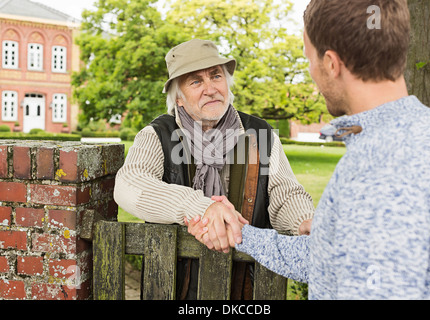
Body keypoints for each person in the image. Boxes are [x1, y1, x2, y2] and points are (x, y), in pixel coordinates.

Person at [187, 0, 430, 299]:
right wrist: (241, 234)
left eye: (308, 58)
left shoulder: (379, 168)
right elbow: (327, 257)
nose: (311, 73)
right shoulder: (428, 137)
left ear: (331, 64)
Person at [113, 39, 315, 299]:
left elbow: (284, 193)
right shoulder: (158, 134)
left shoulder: (260, 134)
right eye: (196, 81)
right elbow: (130, 185)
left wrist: (303, 221)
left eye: (216, 76)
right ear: (178, 97)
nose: (210, 89)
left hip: (247, 288)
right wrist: (201, 207)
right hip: (174, 287)